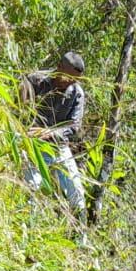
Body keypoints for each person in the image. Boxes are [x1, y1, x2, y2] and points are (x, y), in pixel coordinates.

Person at [22, 51, 87, 208]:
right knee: (32, 190)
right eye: (68, 78)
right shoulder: (35, 81)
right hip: (33, 144)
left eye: (74, 80)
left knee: (77, 196)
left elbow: (74, 126)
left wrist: (51, 133)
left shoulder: (77, 93)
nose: (70, 83)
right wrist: (31, 130)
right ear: (59, 67)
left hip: (59, 146)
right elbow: (19, 110)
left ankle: (80, 231)